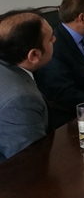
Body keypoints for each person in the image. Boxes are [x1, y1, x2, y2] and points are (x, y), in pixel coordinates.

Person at [0, 11, 54, 162]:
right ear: (34, 55)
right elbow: (31, 164)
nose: (55, 39)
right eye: (50, 39)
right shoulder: (21, 100)